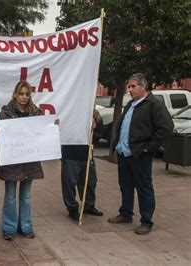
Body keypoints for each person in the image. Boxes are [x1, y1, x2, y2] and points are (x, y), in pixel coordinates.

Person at [108, 73, 173, 235]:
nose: (130, 89)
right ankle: (126, 213)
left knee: (144, 188)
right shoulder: (131, 103)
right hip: (124, 153)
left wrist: (149, 147)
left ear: (144, 86)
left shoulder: (153, 104)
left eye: (133, 86)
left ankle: (146, 221)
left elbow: (166, 127)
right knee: (125, 185)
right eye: (129, 86)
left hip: (140, 155)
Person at [0, 80, 44, 241]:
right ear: (15, 94)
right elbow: (0, 138)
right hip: (12, 162)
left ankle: (26, 227)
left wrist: (49, 129)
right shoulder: (6, 113)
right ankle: (9, 228)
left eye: (27, 94)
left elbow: (41, 136)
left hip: (30, 161)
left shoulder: (36, 113)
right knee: (10, 196)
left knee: (26, 196)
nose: (24, 97)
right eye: (21, 94)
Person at [60, 110, 104, 221]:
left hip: (87, 155)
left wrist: (94, 129)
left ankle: (88, 206)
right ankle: (72, 208)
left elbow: (99, 135)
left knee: (90, 182)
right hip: (70, 155)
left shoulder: (95, 114)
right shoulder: (70, 111)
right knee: (69, 183)